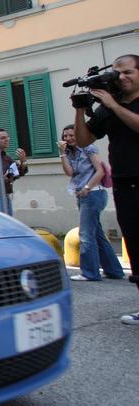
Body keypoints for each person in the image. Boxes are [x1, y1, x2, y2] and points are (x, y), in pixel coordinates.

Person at [74, 53, 139, 325]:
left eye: (128, 72)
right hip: (126, 185)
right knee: (135, 243)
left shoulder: (116, 105)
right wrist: (79, 109)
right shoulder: (106, 109)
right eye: (117, 73)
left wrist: (112, 103)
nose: (122, 78)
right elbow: (83, 139)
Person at [58, 125, 124, 281]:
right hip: (83, 195)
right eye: (65, 136)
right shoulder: (70, 152)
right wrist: (62, 153)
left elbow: (100, 170)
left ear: (79, 135)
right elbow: (70, 173)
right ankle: (114, 270)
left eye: (71, 135)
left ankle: (90, 273)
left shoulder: (88, 147)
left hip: (94, 194)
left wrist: (87, 187)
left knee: (86, 235)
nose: (68, 138)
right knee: (97, 234)